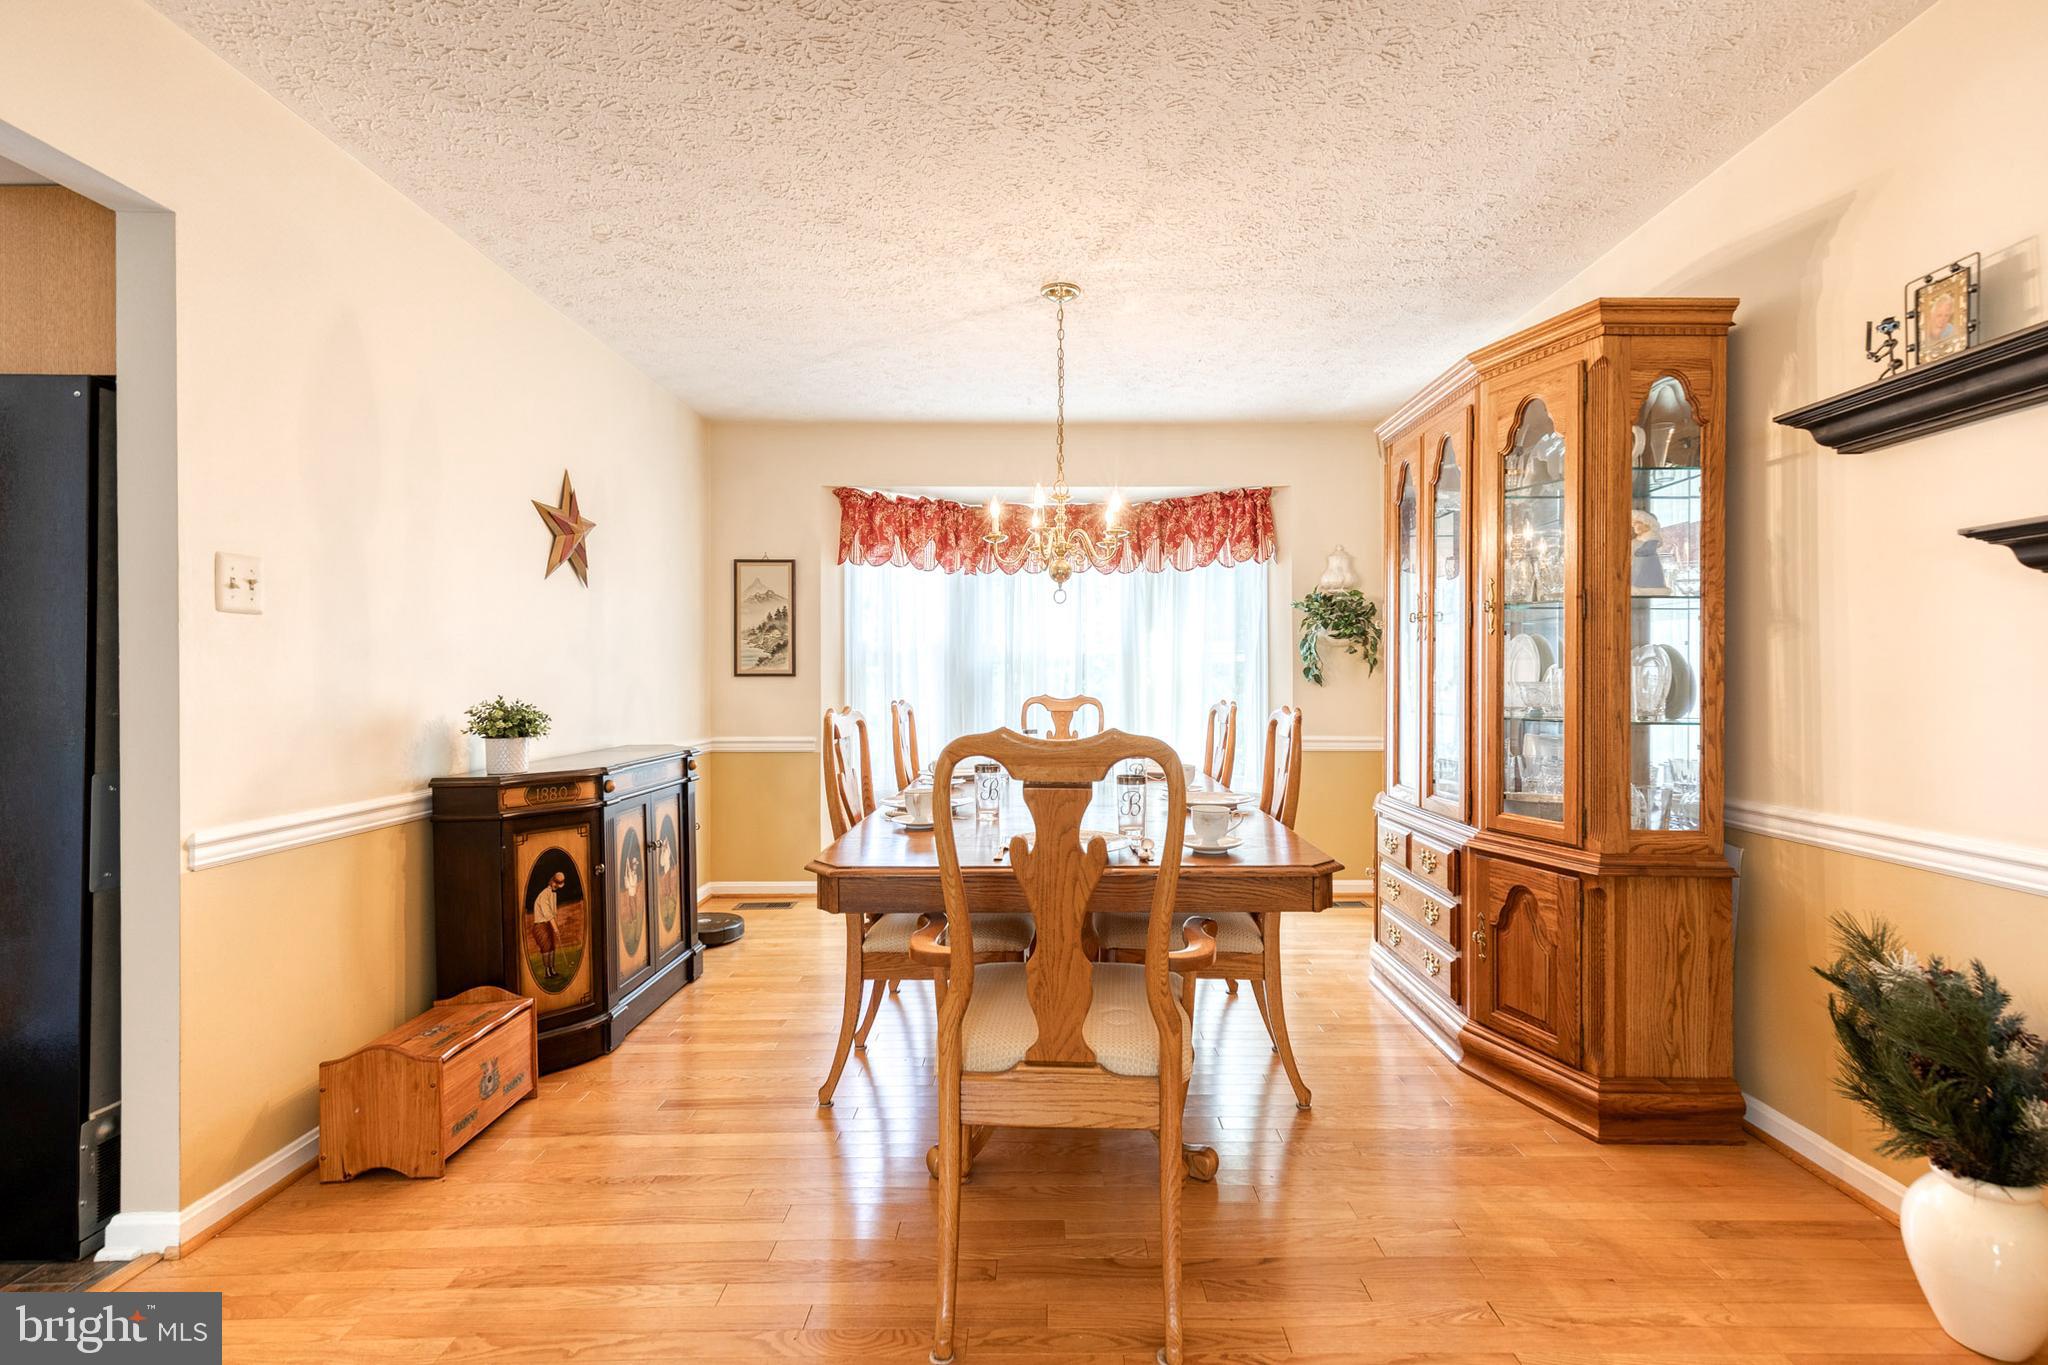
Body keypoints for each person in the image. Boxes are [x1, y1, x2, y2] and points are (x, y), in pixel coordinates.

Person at [531, 870, 565, 981]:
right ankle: (547, 972)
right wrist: (555, 929)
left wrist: (555, 928)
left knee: (552, 948)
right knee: (546, 949)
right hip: (540, 926)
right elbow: (548, 914)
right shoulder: (544, 894)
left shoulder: (552, 893)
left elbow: (553, 913)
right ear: (553, 882)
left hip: (547, 925)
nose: (558, 886)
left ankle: (552, 970)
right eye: (557, 883)